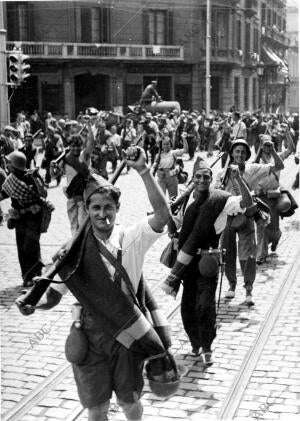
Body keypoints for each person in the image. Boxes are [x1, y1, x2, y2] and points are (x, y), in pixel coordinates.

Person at [17, 146, 171, 421]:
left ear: (117, 208)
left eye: (108, 207)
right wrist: (34, 306)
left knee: (129, 402)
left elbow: (163, 217)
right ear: (86, 209)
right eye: (96, 208)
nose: (103, 214)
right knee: (96, 409)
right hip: (88, 336)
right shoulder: (72, 250)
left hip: (127, 332)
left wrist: (144, 171)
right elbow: (53, 296)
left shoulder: (130, 239)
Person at [161, 158, 253, 364]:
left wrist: (238, 180)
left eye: (206, 177)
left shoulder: (220, 201)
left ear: (211, 180)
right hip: (187, 263)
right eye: (198, 177)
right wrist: (168, 213)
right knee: (188, 308)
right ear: (193, 179)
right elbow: (173, 230)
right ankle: (195, 342)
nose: (202, 180)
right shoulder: (185, 201)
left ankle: (207, 346)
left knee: (205, 306)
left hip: (207, 262)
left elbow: (247, 203)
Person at [214, 139, 284, 305]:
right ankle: (231, 284)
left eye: (243, 152)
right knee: (227, 252)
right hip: (228, 217)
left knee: (248, 254)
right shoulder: (223, 173)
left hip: (246, 215)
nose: (240, 155)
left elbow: (279, 166)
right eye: (237, 151)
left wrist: (273, 150)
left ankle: (248, 290)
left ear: (247, 155)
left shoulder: (253, 169)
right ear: (231, 153)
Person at [0, 151, 47, 287]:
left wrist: (37, 179)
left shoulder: (31, 176)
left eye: (9, 163)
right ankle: (27, 277)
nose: (7, 165)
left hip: (33, 215)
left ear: (15, 165)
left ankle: (36, 270)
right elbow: (3, 194)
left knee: (30, 245)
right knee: (21, 247)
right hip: (19, 217)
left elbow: (43, 193)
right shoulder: (10, 179)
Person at [254, 133, 296, 263]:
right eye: (264, 144)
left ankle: (277, 238)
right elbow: (252, 168)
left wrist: (288, 133)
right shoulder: (257, 160)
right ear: (260, 145)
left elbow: (291, 149)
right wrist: (260, 151)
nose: (267, 146)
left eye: (269, 143)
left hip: (274, 197)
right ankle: (261, 255)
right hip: (261, 197)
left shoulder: (277, 156)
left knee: (274, 227)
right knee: (261, 227)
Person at [63, 124, 94, 236]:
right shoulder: (66, 158)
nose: (75, 148)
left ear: (81, 146)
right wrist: (53, 168)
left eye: (78, 146)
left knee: (83, 225)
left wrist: (91, 130)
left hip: (84, 197)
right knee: (73, 226)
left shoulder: (84, 156)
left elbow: (91, 144)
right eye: (73, 146)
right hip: (71, 197)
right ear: (69, 146)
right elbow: (54, 174)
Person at [153, 133, 188, 198]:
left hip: (172, 178)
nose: (166, 146)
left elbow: (185, 150)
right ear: (161, 145)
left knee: (173, 199)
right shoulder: (158, 155)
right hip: (161, 178)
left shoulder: (173, 153)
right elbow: (155, 166)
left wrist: (184, 138)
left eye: (167, 144)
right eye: (164, 144)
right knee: (161, 198)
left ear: (170, 144)